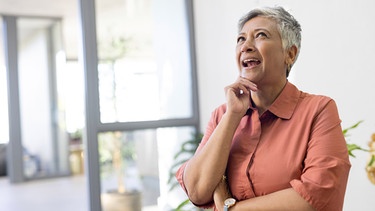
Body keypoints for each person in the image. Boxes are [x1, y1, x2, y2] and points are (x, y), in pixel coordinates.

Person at [175, 6, 350, 211]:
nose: (246, 46)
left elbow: (317, 196)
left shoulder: (319, 110)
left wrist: (228, 207)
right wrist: (232, 116)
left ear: (290, 54)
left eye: (260, 35)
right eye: (241, 39)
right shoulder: (223, 114)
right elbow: (196, 191)